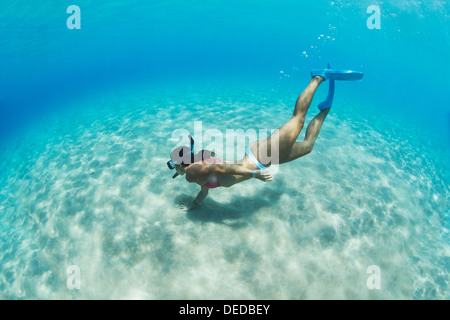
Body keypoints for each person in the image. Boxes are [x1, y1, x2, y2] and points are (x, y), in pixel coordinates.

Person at [167, 66, 363, 210]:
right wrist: (193, 204)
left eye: (172, 164)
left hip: (258, 159)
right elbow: (204, 190)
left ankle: (318, 77)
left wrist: (253, 174)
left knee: (297, 119)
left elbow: (220, 168)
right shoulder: (197, 171)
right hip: (260, 159)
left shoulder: (192, 173)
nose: (173, 169)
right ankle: (325, 108)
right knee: (308, 146)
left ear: (179, 164)